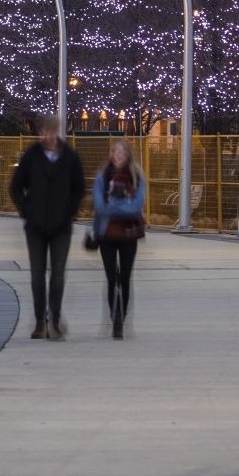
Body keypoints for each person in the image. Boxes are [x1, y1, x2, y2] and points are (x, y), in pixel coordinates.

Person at [8, 116, 84, 341]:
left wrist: (70, 211)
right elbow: (15, 187)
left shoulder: (70, 156)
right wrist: (27, 210)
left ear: (57, 132)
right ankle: (40, 320)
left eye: (51, 132)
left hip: (61, 226)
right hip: (36, 226)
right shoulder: (31, 155)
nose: (47, 136)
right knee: (37, 274)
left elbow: (79, 188)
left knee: (58, 274)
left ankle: (55, 319)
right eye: (44, 132)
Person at [90, 141, 147, 340]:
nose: (119, 155)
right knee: (111, 278)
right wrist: (122, 207)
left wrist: (113, 206)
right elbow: (99, 205)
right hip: (106, 234)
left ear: (128, 154)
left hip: (128, 234)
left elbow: (136, 207)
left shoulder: (136, 177)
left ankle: (121, 319)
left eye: (122, 152)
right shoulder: (103, 177)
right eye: (115, 151)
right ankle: (114, 317)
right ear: (111, 154)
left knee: (125, 278)